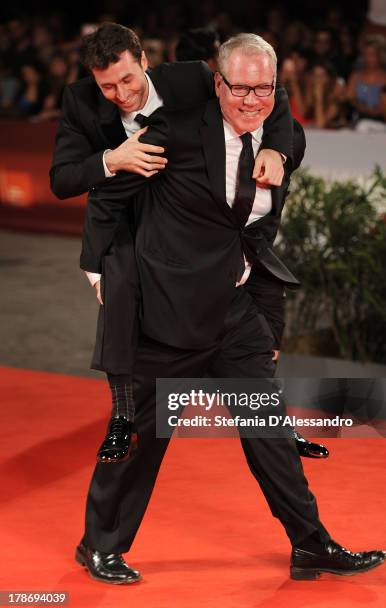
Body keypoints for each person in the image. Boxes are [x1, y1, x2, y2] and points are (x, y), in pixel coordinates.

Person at [76, 34, 386, 584]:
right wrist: (99, 268)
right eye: (239, 87)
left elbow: (264, 224)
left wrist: (268, 323)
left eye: (262, 88)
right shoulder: (176, 131)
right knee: (141, 440)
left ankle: (311, 544)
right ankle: (99, 546)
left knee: (269, 431)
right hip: (166, 315)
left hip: (233, 312)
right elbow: (109, 195)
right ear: (217, 83)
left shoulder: (281, 135)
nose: (251, 99)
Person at [50, 22, 327, 462]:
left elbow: (271, 96)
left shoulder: (192, 77)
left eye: (128, 79)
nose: (121, 94)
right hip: (127, 209)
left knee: (263, 296)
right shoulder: (80, 101)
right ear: (91, 80)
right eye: (107, 87)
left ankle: (275, 425)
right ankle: (123, 416)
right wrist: (110, 159)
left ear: (145, 61)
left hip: (192, 213)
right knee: (119, 278)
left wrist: (277, 148)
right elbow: (63, 181)